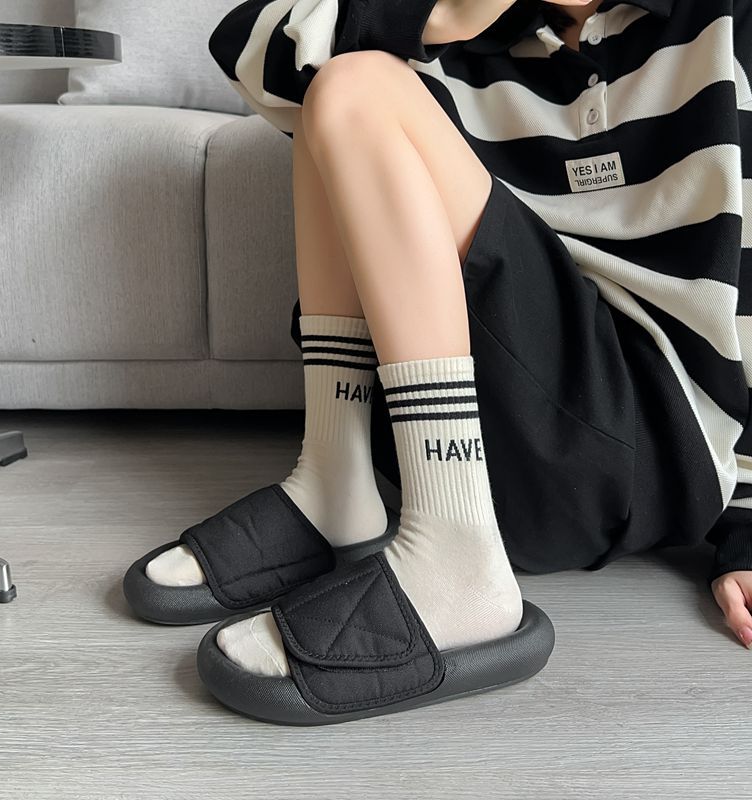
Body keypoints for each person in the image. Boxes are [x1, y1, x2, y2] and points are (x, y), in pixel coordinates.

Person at [126, 0, 752, 722]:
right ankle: (336, 484)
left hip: (640, 448)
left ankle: (455, 561)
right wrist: (446, 13)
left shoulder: (724, 22)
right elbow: (246, 42)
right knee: (334, 83)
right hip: (467, 444)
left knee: (357, 86)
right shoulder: (467, 33)